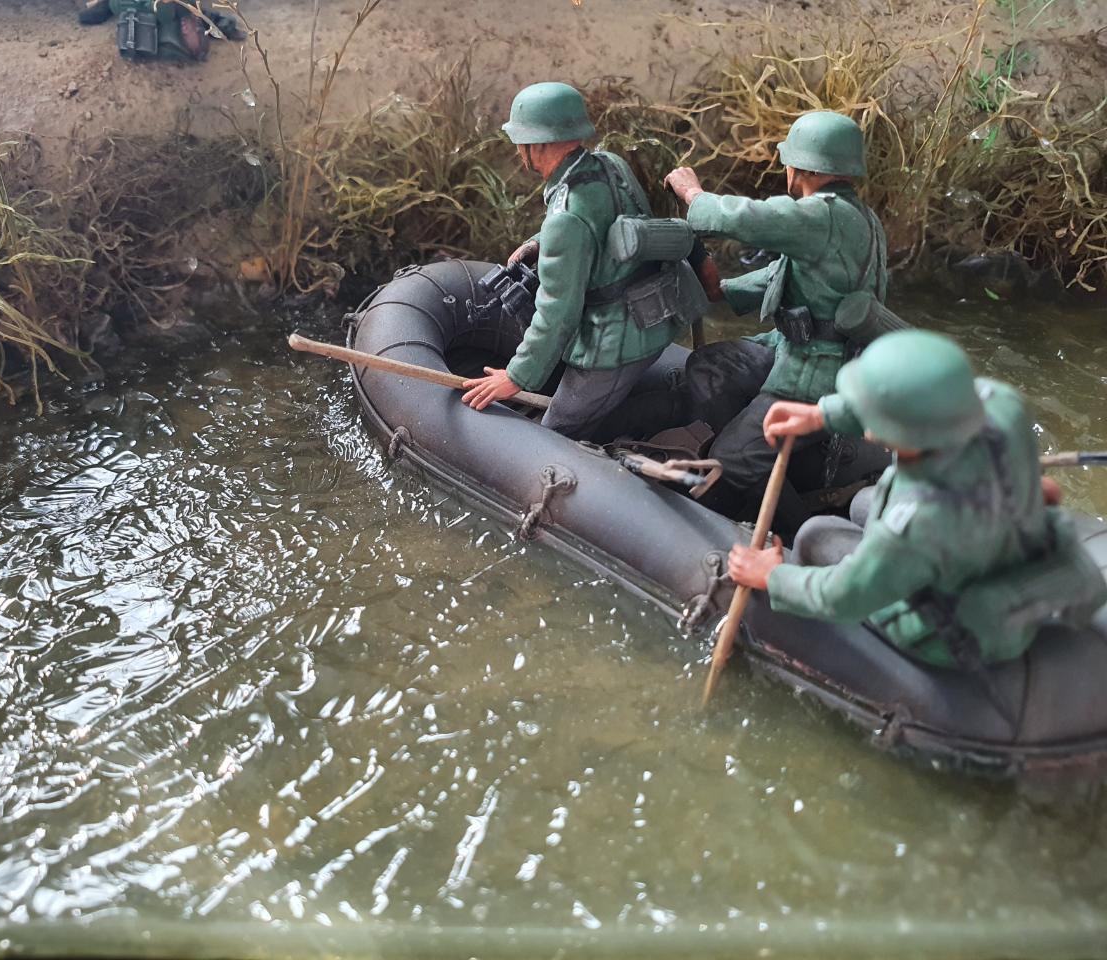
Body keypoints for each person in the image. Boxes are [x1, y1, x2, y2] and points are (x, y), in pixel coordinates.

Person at [727, 329, 1106, 672]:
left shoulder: (917, 521)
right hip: (996, 550)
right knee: (863, 503)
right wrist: (821, 414)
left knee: (815, 533)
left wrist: (772, 577)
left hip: (959, 628)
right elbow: (922, 410)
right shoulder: (1002, 404)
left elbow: (843, 595)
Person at [663, 110, 899, 532]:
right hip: (795, 348)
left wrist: (692, 194)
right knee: (709, 367)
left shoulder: (822, 215)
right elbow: (792, 274)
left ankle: (794, 528)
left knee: (733, 458)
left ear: (804, 168)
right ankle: (761, 451)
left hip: (817, 369)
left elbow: (745, 218)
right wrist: (726, 290)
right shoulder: (854, 217)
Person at [461, 82, 720, 441]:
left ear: (538, 145)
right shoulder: (611, 165)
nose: (519, 150)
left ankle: (676, 409)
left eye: (521, 141)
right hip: (659, 311)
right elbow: (609, 227)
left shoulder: (565, 218)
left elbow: (558, 313)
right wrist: (541, 241)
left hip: (617, 342)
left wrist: (516, 377)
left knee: (557, 431)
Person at [78, 0, 235, 60]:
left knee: (88, 15)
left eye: (185, 33)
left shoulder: (166, 14)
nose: (186, 28)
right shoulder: (188, 10)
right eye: (198, 29)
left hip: (116, 4)